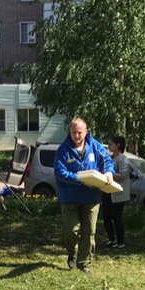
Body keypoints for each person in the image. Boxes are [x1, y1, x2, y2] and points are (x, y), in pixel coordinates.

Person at [54, 117, 114, 276]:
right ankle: (72, 251)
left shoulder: (96, 146)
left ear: (86, 132)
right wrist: (81, 180)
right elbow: (60, 173)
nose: (76, 135)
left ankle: (84, 264)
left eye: (79, 132)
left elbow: (107, 160)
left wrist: (109, 172)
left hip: (92, 198)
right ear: (70, 132)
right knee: (71, 231)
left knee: (89, 232)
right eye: (73, 132)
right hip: (70, 198)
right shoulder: (63, 150)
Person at [101, 135, 131, 249]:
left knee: (116, 218)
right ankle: (111, 239)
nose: (109, 146)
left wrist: (108, 175)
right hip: (108, 192)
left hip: (118, 194)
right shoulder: (111, 158)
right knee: (106, 217)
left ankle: (120, 242)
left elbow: (123, 175)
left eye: (111, 144)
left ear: (118, 145)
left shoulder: (123, 159)